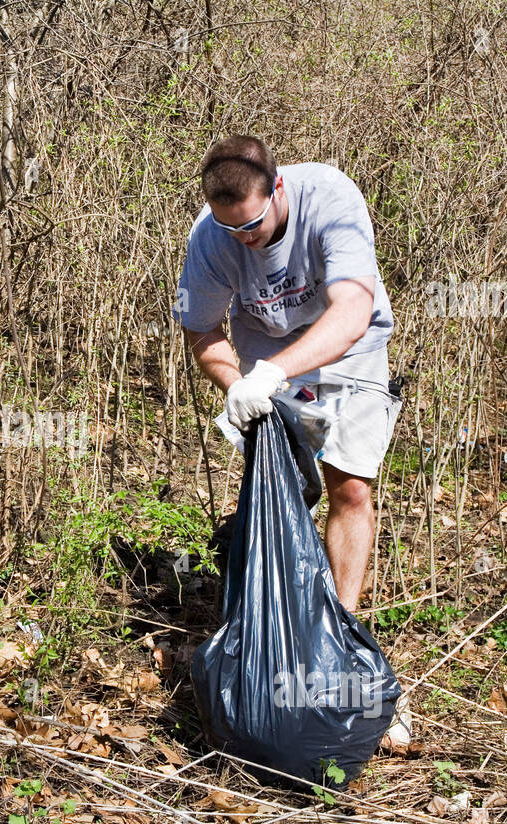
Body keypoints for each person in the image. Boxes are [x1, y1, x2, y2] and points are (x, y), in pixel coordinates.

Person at [173, 134, 402, 616]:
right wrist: (235, 382)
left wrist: (274, 372)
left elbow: (352, 312)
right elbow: (199, 327)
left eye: (253, 224)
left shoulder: (332, 200)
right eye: (230, 227)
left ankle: (342, 622)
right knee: (281, 488)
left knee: (351, 485)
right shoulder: (209, 237)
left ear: (278, 187)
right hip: (267, 345)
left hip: (350, 342)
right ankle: (281, 614)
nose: (244, 238)